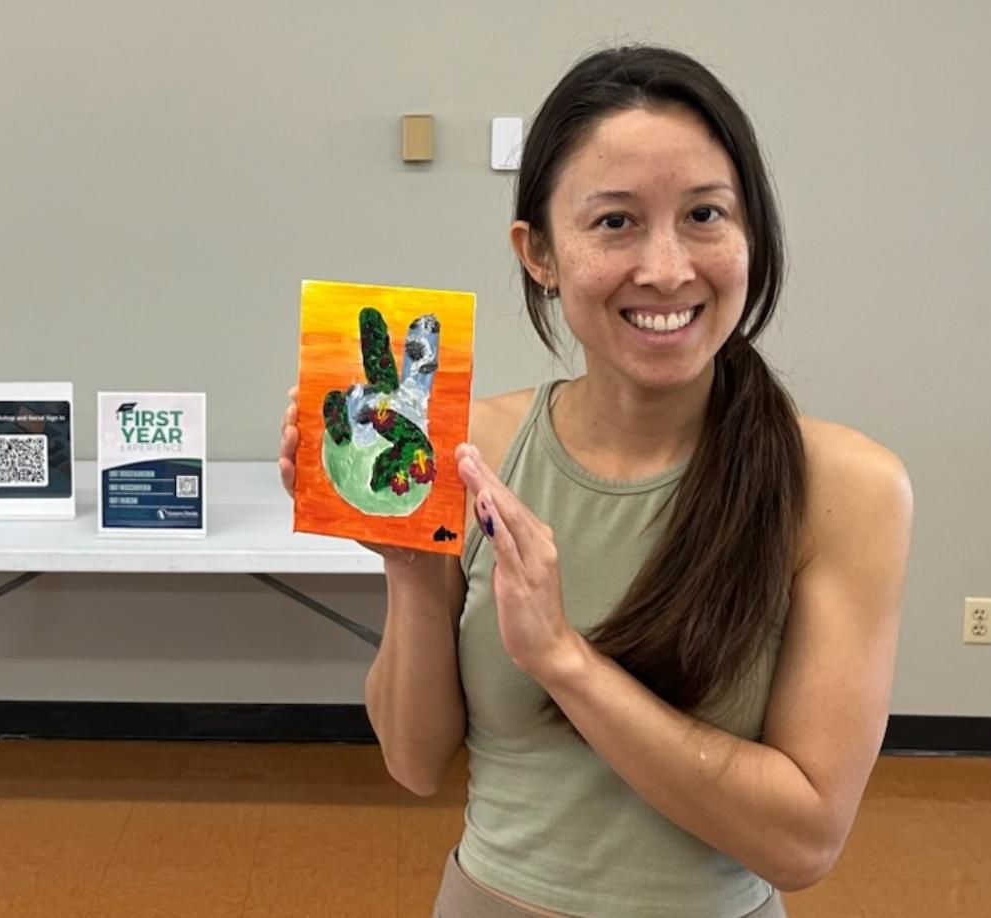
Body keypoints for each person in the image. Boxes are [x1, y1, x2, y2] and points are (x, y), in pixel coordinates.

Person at [278, 45, 913, 918]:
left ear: (751, 234)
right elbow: (413, 764)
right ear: (538, 252)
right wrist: (406, 565)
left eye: (705, 215)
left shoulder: (846, 488)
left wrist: (563, 659)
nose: (666, 268)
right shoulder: (473, 454)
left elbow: (802, 841)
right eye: (614, 222)